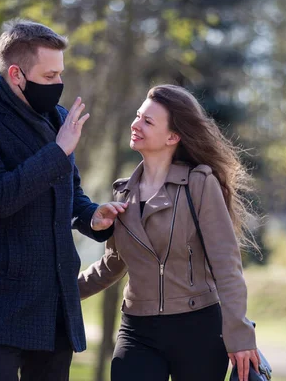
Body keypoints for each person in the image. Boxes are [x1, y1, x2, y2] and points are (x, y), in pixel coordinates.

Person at [0, 19, 127, 381]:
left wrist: (92, 216)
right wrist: (59, 150)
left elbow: (69, 192)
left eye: (61, 74)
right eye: (49, 77)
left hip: (54, 304)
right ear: (16, 74)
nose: (58, 85)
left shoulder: (58, 118)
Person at [78, 84, 260, 381]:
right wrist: (65, 293)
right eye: (138, 116)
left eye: (148, 121)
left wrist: (240, 336)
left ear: (173, 137)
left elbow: (226, 264)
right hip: (138, 331)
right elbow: (113, 264)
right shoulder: (123, 194)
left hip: (198, 330)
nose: (136, 124)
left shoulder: (200, 184)